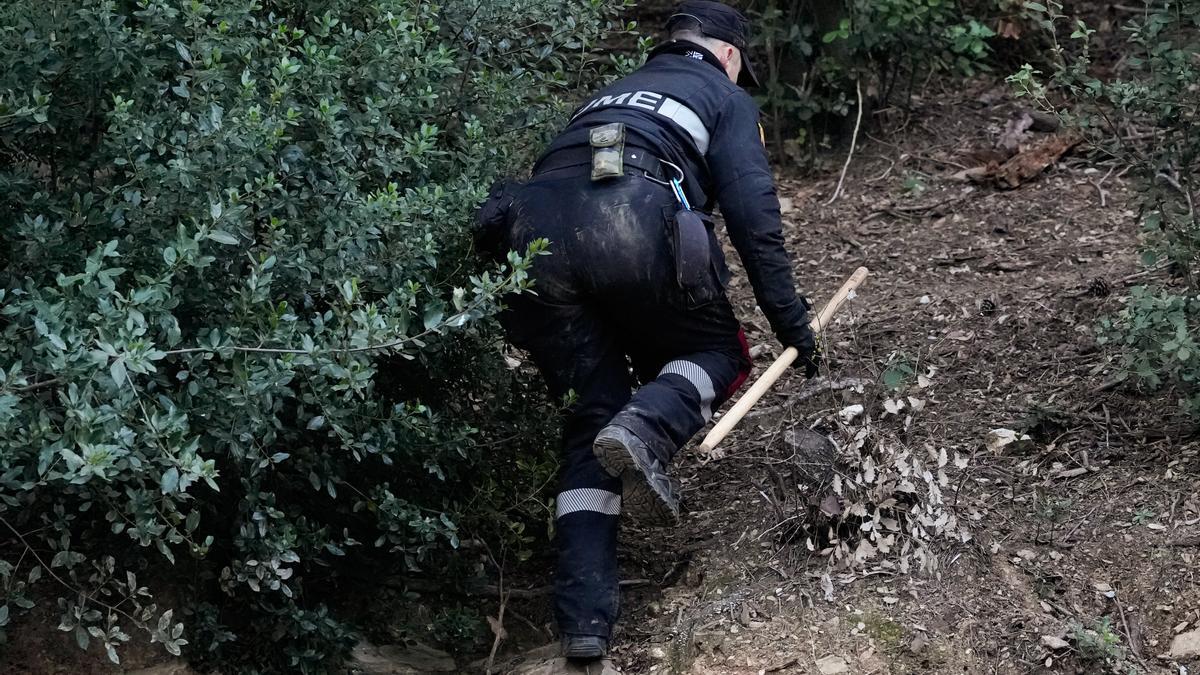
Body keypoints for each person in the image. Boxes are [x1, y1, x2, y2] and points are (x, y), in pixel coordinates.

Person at [475, 0, 819, 661]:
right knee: (717, 350)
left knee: (589, 421)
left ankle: (584, 627)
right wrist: (792, 321)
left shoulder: (608, 95)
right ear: (727, 55)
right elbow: (753, 216)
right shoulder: (723, 94)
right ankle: (647, 428)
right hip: (629, 220)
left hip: (529, 240)